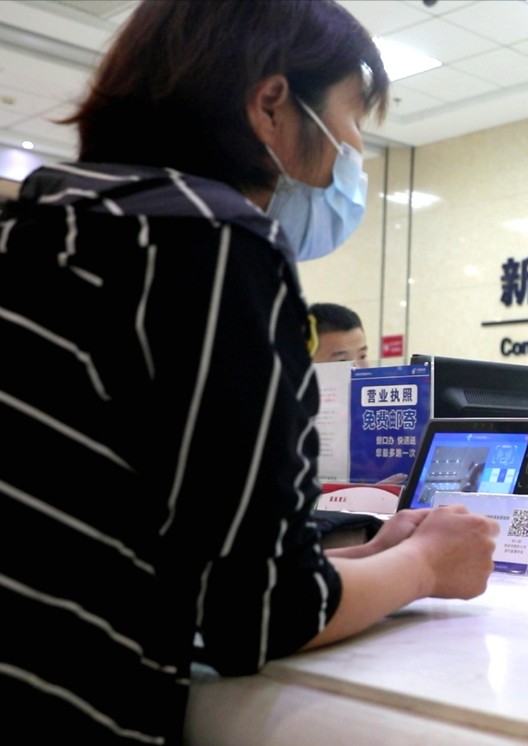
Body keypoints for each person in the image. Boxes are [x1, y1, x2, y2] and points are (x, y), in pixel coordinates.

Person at [0, 2, 497, 743]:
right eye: (351, 119)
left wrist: (368, 559)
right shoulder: (211, 240)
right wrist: (427, 565)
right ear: (271, 105)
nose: (352, 151)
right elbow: (263, 617)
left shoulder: (48, 223)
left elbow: (180, 556)